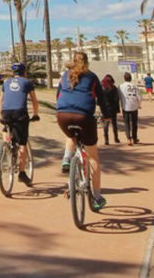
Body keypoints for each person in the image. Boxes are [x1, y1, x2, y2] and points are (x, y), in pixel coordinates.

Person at [56, 51, 110, 210]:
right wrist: (107, 116)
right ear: (87, 62)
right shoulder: (92, 77)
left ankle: (67, 158)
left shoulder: (65, 75)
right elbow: (101, 99)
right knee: (93, 157)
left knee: (70, 135)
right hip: (84, 116)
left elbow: (58, 95)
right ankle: (97, 197)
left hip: (63, 115)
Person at [0, 62, 40, 186]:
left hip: (6, 112)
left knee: (5, 128)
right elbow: (34, 100)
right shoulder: (27, 82)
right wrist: (35, 114)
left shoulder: (6, 82)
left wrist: (1, 116)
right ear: (24, 72)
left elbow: (0, 100)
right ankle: (21, 173)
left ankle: (7, 145)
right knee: (22, 142)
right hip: (20, 113)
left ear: (13, 72)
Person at [119, 71, 142, 145]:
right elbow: (139, 97)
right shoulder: (134, 86)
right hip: (134, 106)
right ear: (131, 78)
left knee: (127, 123)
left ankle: (129, 139)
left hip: (125, 106)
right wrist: (139, 105)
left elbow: (119, 96)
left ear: (124, 78)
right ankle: (135, 138)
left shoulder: (121, 86)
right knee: (134, 123)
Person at [101, 74, 121, 144]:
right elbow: (117, 99)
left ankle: (106, 140)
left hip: (105, 108)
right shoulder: (114, 88)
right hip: (113, 108)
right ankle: (116, 138)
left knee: (106, 124)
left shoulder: (103, 89)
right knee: (114, 123)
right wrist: (117, 109)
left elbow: (100, 100)